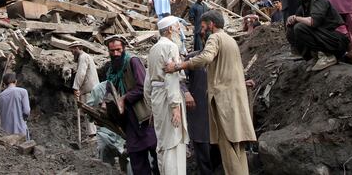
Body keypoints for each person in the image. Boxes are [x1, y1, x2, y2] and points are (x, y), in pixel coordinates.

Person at [164, 10, 256, 175]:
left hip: (224, 101)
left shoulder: (215, 37)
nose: (202, 31)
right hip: (235, 100)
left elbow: (206, 58)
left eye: (204, 26)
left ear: (211, 25)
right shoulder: (230, 40)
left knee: (228, 149)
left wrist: (178, 66)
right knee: (237, 148)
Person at [104, 36, 159, 175]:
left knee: (157, 156)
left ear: (123, 48)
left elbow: (143, 87)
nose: (115, 53)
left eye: (118, 50)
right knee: (137, 160)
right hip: (129, 123)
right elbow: (110, 91)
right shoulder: (111, 71)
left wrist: (124, 98)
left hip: (144, 118)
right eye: (112, 51)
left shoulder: (133, 62)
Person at [144, 16, 189, 175]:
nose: (179, 29)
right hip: (169, 98)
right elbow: (171, 78)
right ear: (170, 29)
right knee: (173, 143)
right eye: (177, 27)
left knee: (162, 144)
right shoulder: (171, 47)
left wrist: (151, 106)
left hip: (157, 99)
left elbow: (147, 81)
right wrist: (175, 106)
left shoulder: (153, 49)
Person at [285, 0, 350, 71]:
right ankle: (313, 57)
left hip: (336, 40)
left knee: (299, 27)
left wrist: (296, 18)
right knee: (291, 28)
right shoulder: (302, 6)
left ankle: (328, 56)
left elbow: (314, 22)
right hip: (324, 38)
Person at [87, 80, 131, 174]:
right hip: (105, 134)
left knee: (128, 165)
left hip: (123, 136)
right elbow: (89, 111)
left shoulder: (126, 85)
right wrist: (95, 115)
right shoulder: (98, 89)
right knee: (105, 166)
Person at [70, 41, 99, 139]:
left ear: (78, 48)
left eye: (72, 49)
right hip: (91, 89)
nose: (71, 52)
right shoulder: (85, 57)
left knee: (89, 112)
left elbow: (81, 73)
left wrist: (76, 87)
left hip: (89, 90)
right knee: (91, 112)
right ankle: (93, 134)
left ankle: (92, 135)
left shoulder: (83, 57)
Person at [0, 72, 31, 137]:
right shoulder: (23, 92)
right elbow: (27, 111)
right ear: (15, 81)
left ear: (4, 84)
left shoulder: (0, 97)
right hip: (20, 131)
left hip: (6, 133)